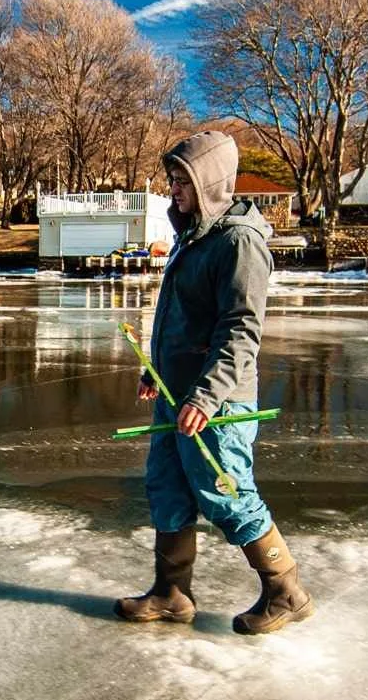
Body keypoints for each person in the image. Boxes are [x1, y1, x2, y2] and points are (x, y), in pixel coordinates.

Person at [114, 131, 314, 634]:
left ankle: (285, 590)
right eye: (173, 179)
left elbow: (242, 329)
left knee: (227, 494)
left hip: (218, 404)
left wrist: (205, 394)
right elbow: (181, 319)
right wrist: (155, 372)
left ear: (210, 182)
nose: (174, 189)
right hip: (177, 394)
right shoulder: (194, 237)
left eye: (183, 180)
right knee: (167, 489)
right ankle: (171, 593)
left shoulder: (239, 242)